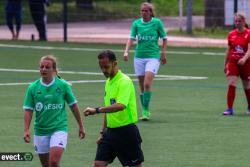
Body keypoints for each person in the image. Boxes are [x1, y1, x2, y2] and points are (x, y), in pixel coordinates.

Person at [83, 50, 144, 167]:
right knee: (97, 165)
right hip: (110, 133)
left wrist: (96, 110)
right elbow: (108, 109)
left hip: (127, 132)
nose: (103, 70)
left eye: (106, 67)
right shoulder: (108, 82)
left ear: (115, 63)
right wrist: (102, 132)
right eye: (101, 67)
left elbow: (120, 106)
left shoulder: (124, 81)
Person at [23, 55, 85, 167]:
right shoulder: (33, 87)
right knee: (46, 165)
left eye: (47, 67)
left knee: (54, 162)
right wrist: (26, 129)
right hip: (40, 130)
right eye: (41, 67)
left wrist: (81, 126)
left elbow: (74, 106)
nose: (44, 69)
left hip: (59, 128)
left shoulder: (63, 86)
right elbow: (28, 110)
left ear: (54, 70)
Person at [123, 2, 167, 121]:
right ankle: (144, 109)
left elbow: (164, 38)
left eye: (146, 11)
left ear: (150, 12)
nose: (144, 13)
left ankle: (145, 111)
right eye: (142, 10)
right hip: (139, 57)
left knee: (147, 84)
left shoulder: (157, 23)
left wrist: (163, 53)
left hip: (153, 56)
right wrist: (126, 51)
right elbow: (131, 38)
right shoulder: (136, 23)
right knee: (142, 86)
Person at [223, 12, 250, 115]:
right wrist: (225, 64)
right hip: (233, 61)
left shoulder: (248, 33)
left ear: (244, 22)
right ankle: (229, 109)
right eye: (236, 21)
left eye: (239, 21)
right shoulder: (231, 34)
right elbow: (228, 50)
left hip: (246, 62)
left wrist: (244, 58)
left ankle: (249, 106)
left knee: (246, 86)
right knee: (231, 83)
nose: (237, 23)